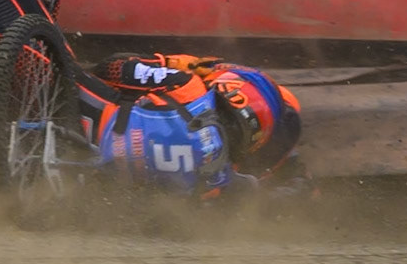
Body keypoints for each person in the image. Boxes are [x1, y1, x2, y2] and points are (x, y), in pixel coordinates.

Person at [75, 52, 304, 197]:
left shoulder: (188, 87)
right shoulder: (219, 182)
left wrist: (169, 63)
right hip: (92, 183)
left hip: (82, 113)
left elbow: (108, 68)